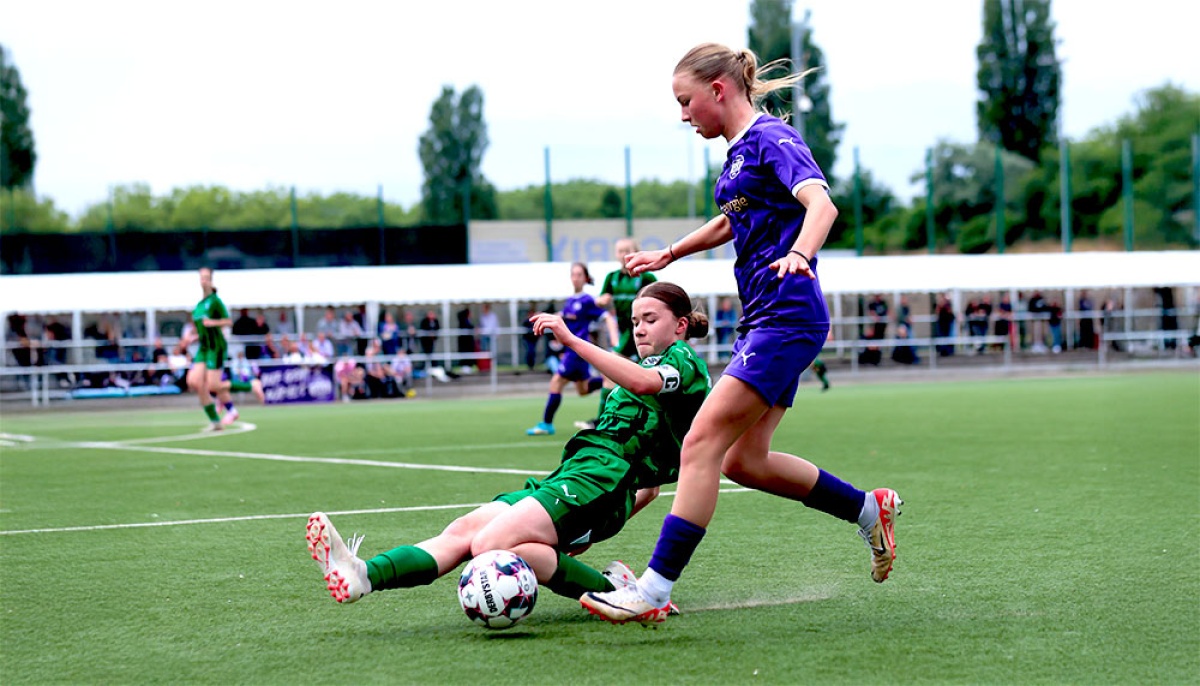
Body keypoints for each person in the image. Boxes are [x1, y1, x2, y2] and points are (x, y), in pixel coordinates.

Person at [579, 43, 900, 626]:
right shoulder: (737, 156)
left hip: (786, 315)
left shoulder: (773, 138)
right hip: (764, 319)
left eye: (686, 101)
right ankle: (866, 509)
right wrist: (669, 254)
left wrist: (800, 253)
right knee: (743, 462)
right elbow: (735, 217)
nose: (683, 115)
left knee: (699, 443)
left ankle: (652, 589)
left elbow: (820, 205)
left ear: (719, 91)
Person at [306, 281, 711, 611]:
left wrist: (571, 340)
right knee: (465, 530)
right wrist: (590, 528)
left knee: (489, 545)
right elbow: (652, 487)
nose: (638, 328)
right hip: (581, 478)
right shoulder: (641, 364)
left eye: (650, 320)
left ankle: (623, 594)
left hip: (601, 482)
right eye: (635, 320)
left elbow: (645, 388)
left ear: (679, 326)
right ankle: (365, 575)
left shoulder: (684, 360)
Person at [526, 262, 619, 436]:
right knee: (582, 390)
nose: (575, 278)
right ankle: (614, 381)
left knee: (556, 382)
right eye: (573, 274)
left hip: (577, 350)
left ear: (585, 278)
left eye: (579, 274)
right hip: (573, 351)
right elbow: (564, 320)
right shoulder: (570, 301)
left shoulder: (586, 300)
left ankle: (546, 424)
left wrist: (613, 338)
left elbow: (606, 316)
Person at [575, 238, 658, 431]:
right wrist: (601, 301)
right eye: (619, 251)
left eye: (627, 250)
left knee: (649, 376)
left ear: (636, 252)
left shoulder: (645, 278)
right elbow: (603, 298)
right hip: (626, 334)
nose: (623, 255)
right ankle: (603, 420)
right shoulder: (612, 277)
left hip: (644, 334)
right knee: (610, 373)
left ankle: (653, 418)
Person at [185, 267, 248, 430]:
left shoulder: (215, 301)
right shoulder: (199, 304)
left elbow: (228, 321)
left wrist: (213, 323)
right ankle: (216, 421)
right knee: (194, 382)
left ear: (211, 280)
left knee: (213, 385)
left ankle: (250, 385)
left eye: (206, 277)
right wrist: (195, 336)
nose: (203, 280)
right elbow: (202, 328)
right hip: (203, 347)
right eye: (201, 277)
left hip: (215, 347)